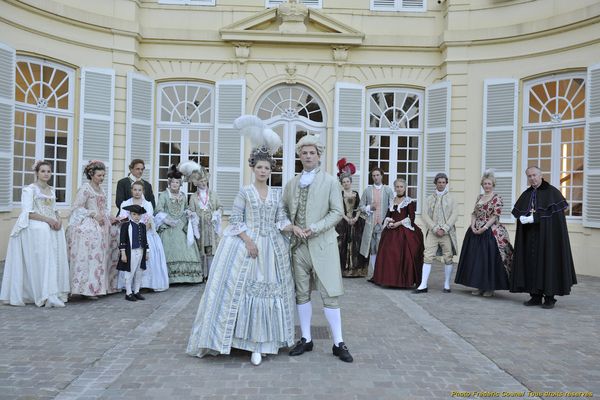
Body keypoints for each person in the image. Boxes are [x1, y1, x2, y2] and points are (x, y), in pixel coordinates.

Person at [187, 115, 295, 366]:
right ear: (253, 168)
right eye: (259, 167)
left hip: (273, 248)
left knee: (271, 290)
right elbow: (235, 219)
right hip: (248, 246)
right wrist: (248, 241)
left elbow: (281, 220)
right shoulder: (245, 192)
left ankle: (267, 341)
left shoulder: (276, 193)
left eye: (267, 168)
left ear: (271, 170)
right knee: (243, 289)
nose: (263, 171)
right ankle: (246, 341)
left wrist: (294, 228)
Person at [283, 135, 353, 363]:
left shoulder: (331, 181)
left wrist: (315, 227)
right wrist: (292, 227)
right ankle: (306, 338)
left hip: (322, 244)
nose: (308, 156)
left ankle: (338, 342)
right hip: (298, 247)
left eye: (312, 152)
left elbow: (336, 212)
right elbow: (283, 211)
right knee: (301, 293)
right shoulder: (292, 183)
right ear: (299, 155)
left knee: (330, 294)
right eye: (304, 152)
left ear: (319, 155)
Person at [0, 160, 70, 307]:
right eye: (43, 171)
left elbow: (55, 210)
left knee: (59, 231)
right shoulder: (29, 190)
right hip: (34, 223)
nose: (46, 174)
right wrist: (48, 220)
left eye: (48, 171)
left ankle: (55, 290)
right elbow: (28, 213)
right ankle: (42, 292)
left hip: (48, 222)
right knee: (44, 230)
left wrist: (57, 220)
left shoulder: (51, 190)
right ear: (37, 173)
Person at [510, 166, 576, 309]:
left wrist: (536, 218)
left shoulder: (552, 193)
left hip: (548, 238)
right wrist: (524, 218)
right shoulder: (526, 194)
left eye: (534, 175)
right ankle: (535, 296)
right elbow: (522, 210)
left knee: (547, 263)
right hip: (530, 237)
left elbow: (555, 217)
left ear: (541, 175)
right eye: (529, 176)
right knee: (531, 264)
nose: (532, 178)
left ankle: (549, 297)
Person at [67, 160, 120, 298]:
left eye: (103, 175)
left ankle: (101, 287)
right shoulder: (85, 188)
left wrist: (110, 216)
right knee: (92, 251)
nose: (102, 178)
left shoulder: (101, 190)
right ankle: (87, 289)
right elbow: (77, 207)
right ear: (91, 174)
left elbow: (104, 208)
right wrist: (93, 214)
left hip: (103, 223)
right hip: (90, 223)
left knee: (114, 237)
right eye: (99, 176)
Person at [455, 171, 513, 297]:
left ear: (493, 185)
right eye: (485, 183)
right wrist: (472, 225)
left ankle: (489, 288)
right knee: (477, 260)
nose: (487, 186)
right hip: (475, 231)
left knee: (488, 260)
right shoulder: (479, 197)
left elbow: (495, 215)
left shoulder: (497, 198)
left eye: (489, 184)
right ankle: (479, 286)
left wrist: (484, 227)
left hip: (491, 232)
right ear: (482, 184)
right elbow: (474, 213)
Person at [372, 178, 424, 288]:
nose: (399, 189)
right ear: (394, 188)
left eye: (401, 187)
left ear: (405, 188)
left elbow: (411, 218)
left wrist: (399, 223)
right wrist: (388, 221)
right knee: (389, 253)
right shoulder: (392, 200)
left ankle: (403, 281)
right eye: (397, 187)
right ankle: (389, 280)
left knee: (403, 254)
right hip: (391, 231)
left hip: (404, 231)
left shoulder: (409, 201)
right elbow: (388, 215)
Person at [118, 181, 169, 292]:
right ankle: (129, 285)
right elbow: (123, 219)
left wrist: (141, 231)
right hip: (130, 233)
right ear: (131, 190)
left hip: (144, 232)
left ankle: (145, 284)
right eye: (135, 190)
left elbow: (149, 220)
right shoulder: (125, 203)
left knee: (147, 254)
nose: (137, 192)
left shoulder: (147, 204)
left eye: (139, 190)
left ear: (143, 191)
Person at [155, 165, 203, 284]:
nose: (175, 184)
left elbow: (185, 208)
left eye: (177, 182)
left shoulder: (183, 195)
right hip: (168, 227)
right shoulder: (164, 195)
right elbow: (159, 210)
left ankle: (187, 276)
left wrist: (189, 212)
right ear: (169, 183)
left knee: (186, 250)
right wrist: (167, 220)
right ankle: (170, 277)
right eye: (173, 182)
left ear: (180, 184)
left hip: (181, 226)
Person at [414, 173, 458, 294]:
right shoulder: (429, 198)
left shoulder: (452, 199)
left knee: (448, 257)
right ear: (435, 183)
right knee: (427, 256)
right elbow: (424, 214)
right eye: (439, 182)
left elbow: (454, 215)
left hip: (447, 233)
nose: (441, 184)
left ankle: (447, 284)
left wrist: (444, 228)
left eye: (443, 182)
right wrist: (434, 228)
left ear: (446, 183)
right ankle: (423, 284)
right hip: (433, 233)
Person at [179, 161, 223, 279]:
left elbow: (220, 207)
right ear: (196, 183)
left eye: (205, 181)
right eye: (201, 182)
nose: (203, 183)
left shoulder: (213, 194)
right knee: (200, 250)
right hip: (199, 227)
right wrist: (191, 214)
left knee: (210, 250)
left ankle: (210, 275)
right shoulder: (193, 197)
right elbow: (191, 209)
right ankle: (201, 274)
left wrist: (217, 213)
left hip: (211, 226)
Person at [359, 168, 394, 281]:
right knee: (373, 249)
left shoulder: (388, 190)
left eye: (378, 175)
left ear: (382, 176)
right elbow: (360, 207)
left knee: (383, 249)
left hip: (383, 225)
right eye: (373, 175)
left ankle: (383, 274)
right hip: (371, 224)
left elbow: (392, 207)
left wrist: (388, 220)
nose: (375, 177)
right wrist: (369, 208)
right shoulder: (367, 191)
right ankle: (375, 274)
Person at [335, 158, 368, 278]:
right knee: (343, 245)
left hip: (355, 222)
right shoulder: (340, 194)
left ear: (351, 182)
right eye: (344, 182)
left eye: (347, 181)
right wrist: (347, 219)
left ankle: (355, 270)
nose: (346, 183)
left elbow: (359, 207)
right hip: (344, 222)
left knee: (356, 245)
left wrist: (355, 218)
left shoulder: (355, 194)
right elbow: (339, 209)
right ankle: (344, 269)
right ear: (341, 183)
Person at [117, 204, 149, 301]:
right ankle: (128, 292)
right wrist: (123, 253)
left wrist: (147, 252)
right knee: (129, 272)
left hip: (141, 251)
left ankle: (136, 291)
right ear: (130, 214)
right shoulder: (126, 226)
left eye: (139, 215)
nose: (136, 217)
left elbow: (145, 240)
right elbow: (122, 240)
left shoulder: (143, 226)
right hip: (130, 252)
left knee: (139, 272)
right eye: (134, 214)